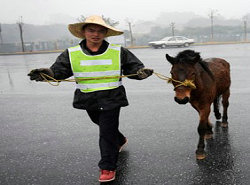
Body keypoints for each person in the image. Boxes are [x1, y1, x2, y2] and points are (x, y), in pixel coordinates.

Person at [28, 15, 153, 182]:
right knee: (102, 125)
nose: (96, 34)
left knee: (106, 132)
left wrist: (141, 73)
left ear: (106, 33)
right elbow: (58, 72)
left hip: (112, 98)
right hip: (88, 100)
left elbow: (135, 69)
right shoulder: (71, 54)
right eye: (91, 30)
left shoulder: (118, 51)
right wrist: (47, 74)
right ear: (83, 32)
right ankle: (120, 139)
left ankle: (107, 167)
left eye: (101, 31)